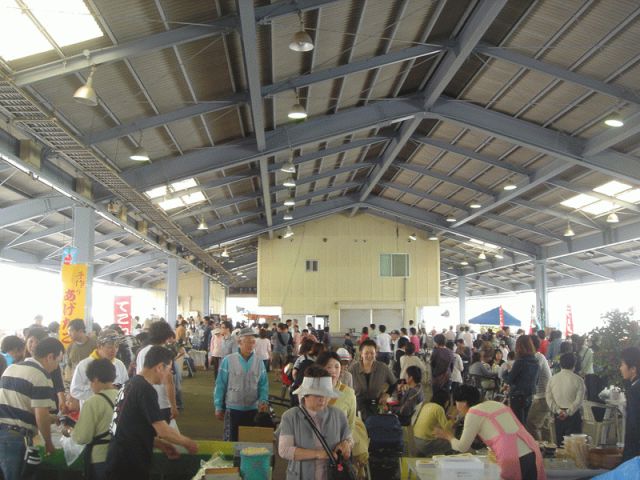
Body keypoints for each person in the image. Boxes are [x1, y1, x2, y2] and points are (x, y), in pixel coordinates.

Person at [105, 346, 198, 479]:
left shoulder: (130, 384)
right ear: (159, 367)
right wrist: (187, 443)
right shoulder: (145, 389)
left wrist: (160, 444)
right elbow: (163, 430)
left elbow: (130, 428)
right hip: (129, 461)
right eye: (169, 369)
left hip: (119, 456)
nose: (169, 373)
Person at [434, 385, 545, 480]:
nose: (456, 408)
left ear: (463, 403)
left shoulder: (473, 413)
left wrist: (448, 436)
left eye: (455, 403)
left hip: (513, 457)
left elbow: (462, 447)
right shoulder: (495, 404)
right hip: (531, 450)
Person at [0, 337, 64, 480]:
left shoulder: (11, 368)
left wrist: (51, 418)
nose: (56, 367)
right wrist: (48, 443)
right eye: (58, 361)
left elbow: (18, 405)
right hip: (15, 439)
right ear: (50, 357)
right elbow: (41, 416)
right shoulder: (41, 375)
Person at [278, 366, 353, 480]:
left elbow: (349, 438)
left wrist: (347, 444)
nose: (322, 399)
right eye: (317, 395)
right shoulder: (290, 417)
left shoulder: (338, 415)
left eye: (326, 394)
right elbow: (284, 450)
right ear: (305, 394)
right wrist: (319, 454)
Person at [214, 328, 269, 441]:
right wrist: (218, 406)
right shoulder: (228, 360)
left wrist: (263, 400)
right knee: (231, 441)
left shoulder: (259, 362)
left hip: (253, 409)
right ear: (239, 342)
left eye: (253, 342)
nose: (251, 345)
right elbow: (220, 385)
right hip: (233, 408)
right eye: (248, 342)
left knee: (250, 442)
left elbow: (263, 384)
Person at [69, 358, 118, 480]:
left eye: (90, 381)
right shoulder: (124, 397)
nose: (90, 385)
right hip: (122, 455)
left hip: (101, 458)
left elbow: (82, 437)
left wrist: (70, 431)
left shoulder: (93, 402)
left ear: (95, 379)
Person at [71, 329, 129, 406]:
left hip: (114, 409)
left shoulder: (119, 364)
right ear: (99, 346)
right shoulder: (84, 365)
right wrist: (99, 390)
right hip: (92, 409)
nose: (114, 350)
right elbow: (75, 390)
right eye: (109, 346)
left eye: (116, 346)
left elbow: (126, 387)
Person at [136, 321, 179, 422]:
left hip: (143, 400)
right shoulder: (163, 353)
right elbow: (169, 382)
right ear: (167, 335)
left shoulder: (142, 352)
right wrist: (173, 406)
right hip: (161, 402)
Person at [349, 339, 397, 420]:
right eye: (366, 353)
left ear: (376, 353)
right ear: (361, 353)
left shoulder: (383, 368)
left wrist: (387, 394)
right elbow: (346, 386)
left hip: (377, 407)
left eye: (372, 353)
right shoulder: (353, 369)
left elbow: (394, 383)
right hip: (358, 408)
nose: (369, 355)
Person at [545, 353, 585, 446]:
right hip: (573, 416)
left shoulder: (552, 379)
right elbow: (579, 400)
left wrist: (559, 411)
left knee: (560, 445)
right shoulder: (579, 380)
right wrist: (568, 412)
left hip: (558, 415)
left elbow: (549, 398)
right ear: (574, 364)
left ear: (560, 364)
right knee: (574, 446)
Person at [503, 335, 539, 425]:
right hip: (529, 395)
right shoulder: (536, 361)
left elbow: (509, 380)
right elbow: (536, 380)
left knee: (517, 424)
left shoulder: (520, 362)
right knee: (523, 423)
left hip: (517, 395)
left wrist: (506, 371)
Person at [526, 335, 552, 441]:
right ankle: (548, 448)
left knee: (532, 424)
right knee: (544, 427)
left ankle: (538, 449)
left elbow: (531, 375)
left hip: (542, 397)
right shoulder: (538, 356)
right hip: (545, 396)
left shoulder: (537, 357)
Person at [413, 389, 453, 457]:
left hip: (416, 439)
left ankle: (422, 453)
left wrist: (445, 417)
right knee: (450, 442)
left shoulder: (427, 405)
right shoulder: (439, 408)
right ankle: (447, 460)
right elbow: (447, 428)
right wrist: (452, 420)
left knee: (437, 436)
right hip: (425, 442)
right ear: (446, 401)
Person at [620, 346, 640, 462]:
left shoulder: (634, 390)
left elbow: (634, 424)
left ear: (633, 369)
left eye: (622, 364)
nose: (620, 368)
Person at [65, 319, 97, 383]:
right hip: (76, 382)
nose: (69, 334)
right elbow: (69, 365)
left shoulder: (95, 345)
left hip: (92, 382)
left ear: (80, 331)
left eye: (71, 331)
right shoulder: (70, 346)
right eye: (68, 331)